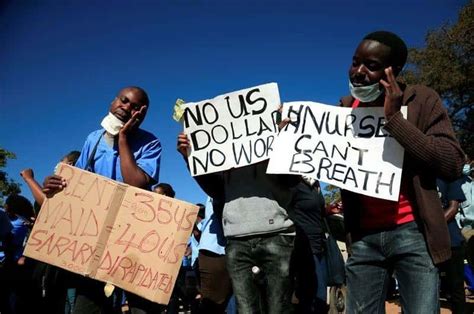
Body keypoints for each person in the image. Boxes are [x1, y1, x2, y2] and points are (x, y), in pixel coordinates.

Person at [339, 31, 464, 313]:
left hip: (412, 234)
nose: (358, 72)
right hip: (363, 239)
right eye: (355, 62)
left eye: (370, 65)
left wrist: (395, 120)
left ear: (392, 71)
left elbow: (452, 162)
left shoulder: (421, 100)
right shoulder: (344, 110)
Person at [43, 86, 162, 314]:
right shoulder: (94, 139)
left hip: (133, 237)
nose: (126, 107)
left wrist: (124, 138)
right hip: (95, 237)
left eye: (134, 107)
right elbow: (77, 184)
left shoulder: (150, 143)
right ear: (113, 102)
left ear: (142, 114)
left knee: (140, 308)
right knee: (87, 306)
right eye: (123, 101)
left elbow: (136, 184)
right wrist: (55, 184)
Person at [177, 134, 297, 313]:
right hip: (236, 237)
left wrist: (283, 140)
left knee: (279, 307)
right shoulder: (221, 142)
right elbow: (216, 190)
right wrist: (190, 157)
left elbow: (292, 179)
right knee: (246, 308)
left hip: (276, 232)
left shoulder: (274, 133)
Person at [290, 178, 328, 313]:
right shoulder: (293, 185)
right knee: (313, 297)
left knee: (320, 298)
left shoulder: (315, 185)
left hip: (320, 246)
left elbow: (321, 212)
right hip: (304, 248)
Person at [437, 178, 466, 313]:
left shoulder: (448, 177)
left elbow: (453, 208)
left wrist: (432, 225)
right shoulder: (417, 178)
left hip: (451, 241)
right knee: (429, 289)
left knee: (456, 288)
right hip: (423, 243)